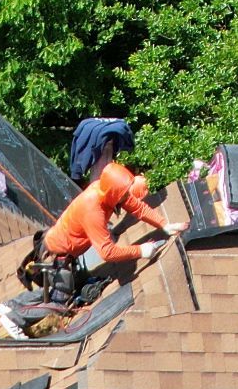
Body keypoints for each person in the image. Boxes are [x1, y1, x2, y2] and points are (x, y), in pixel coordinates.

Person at [36, 119, 171, 305]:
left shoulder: (108, 189)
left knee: (70, 289)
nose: (126, 199)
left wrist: (165, 224)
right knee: (59, 302)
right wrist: (141, 250)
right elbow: (107, 252)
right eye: (124, 194)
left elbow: (137, 207)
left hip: (68, 252)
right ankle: (16, 313)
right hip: (57, 255)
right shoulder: (93, 208)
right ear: (116, 192)